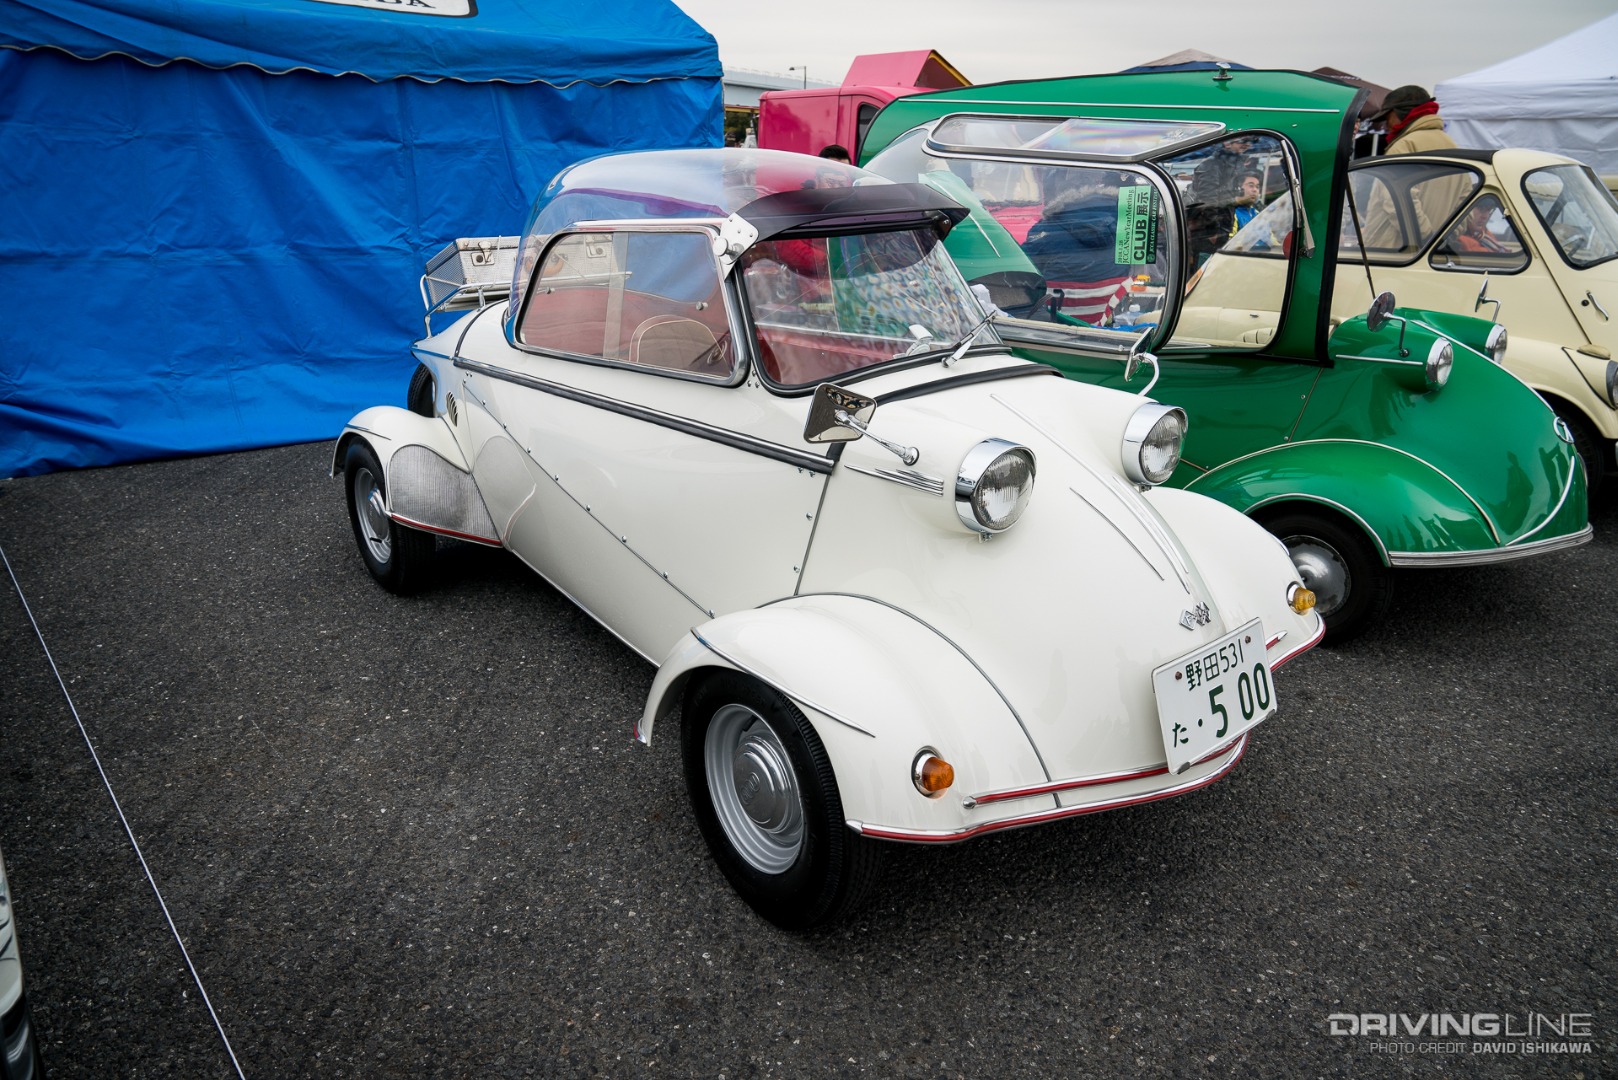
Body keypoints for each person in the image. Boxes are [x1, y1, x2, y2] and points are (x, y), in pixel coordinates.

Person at [1368, 85, 1457, 155]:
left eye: (1388, 119)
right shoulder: (1449, 141)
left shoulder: (1404, 145)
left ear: (1400, 113)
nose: (1386, 127)